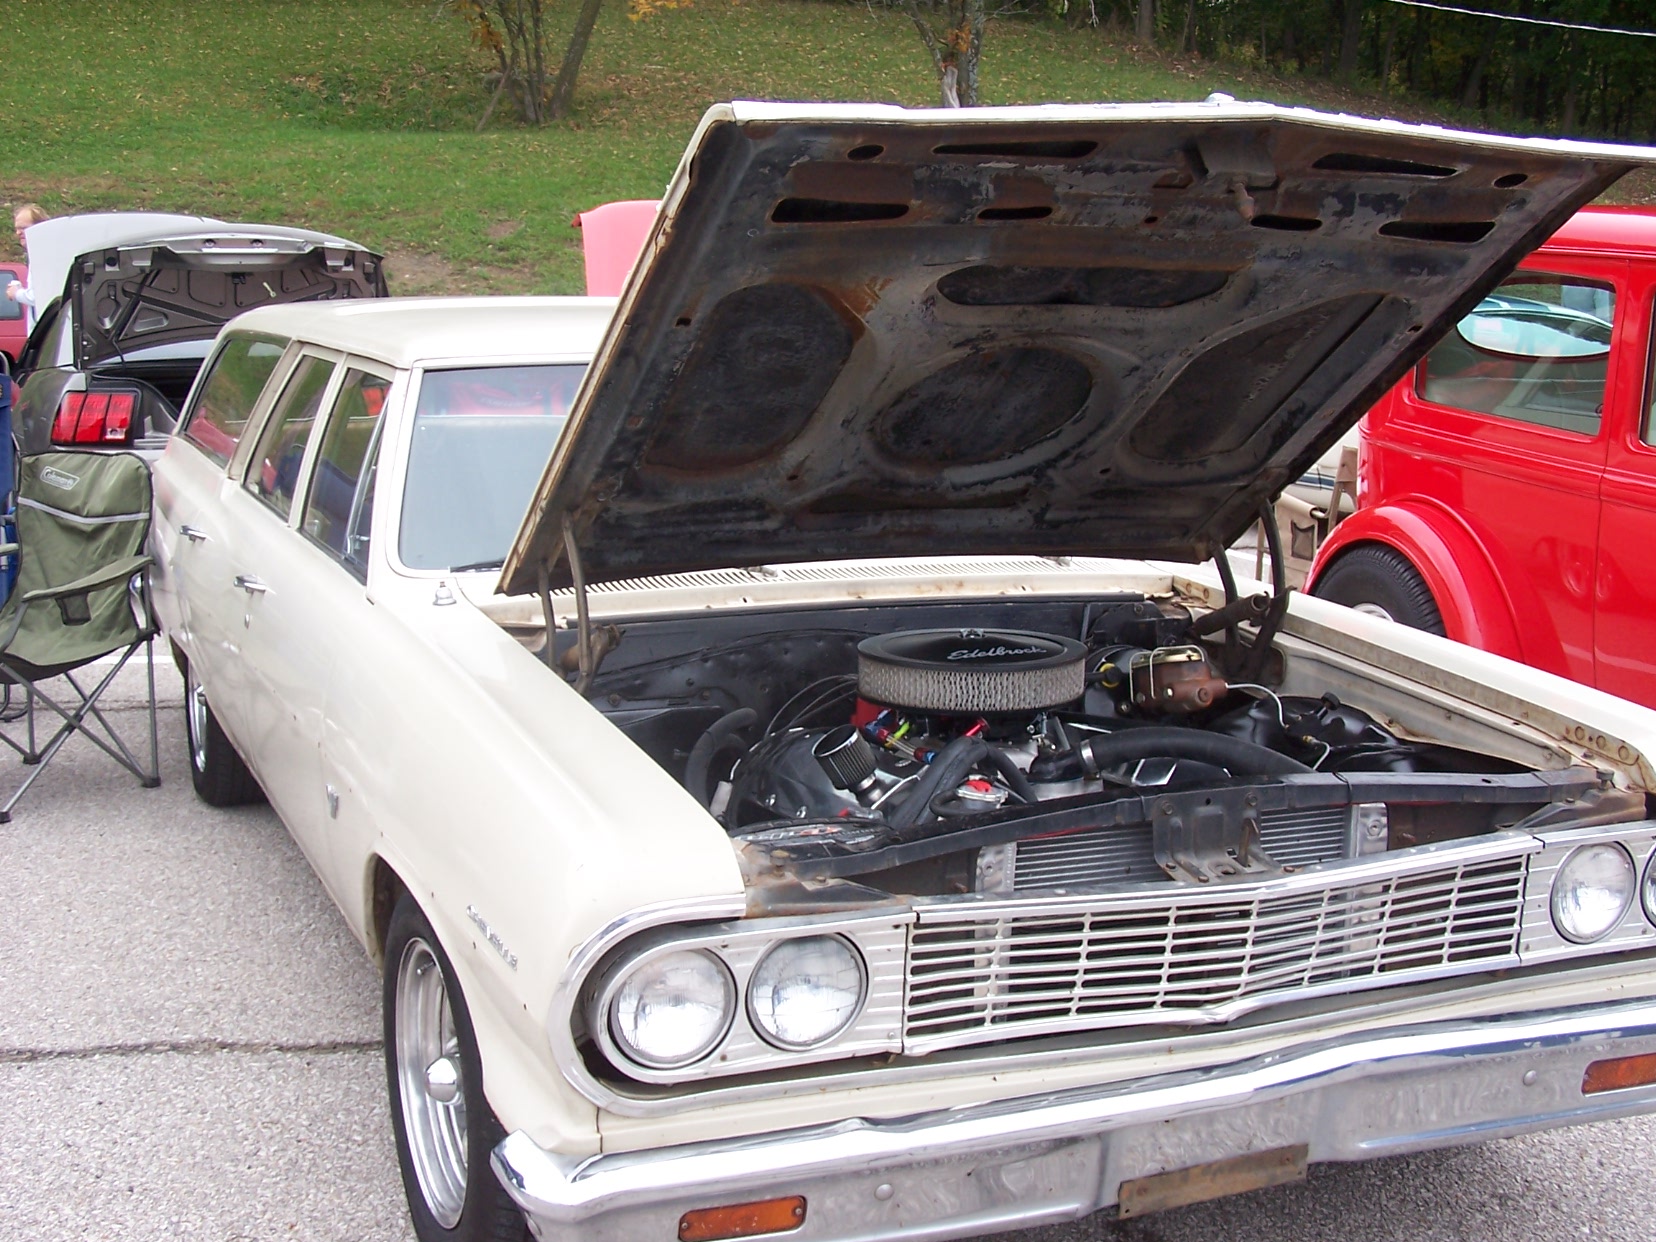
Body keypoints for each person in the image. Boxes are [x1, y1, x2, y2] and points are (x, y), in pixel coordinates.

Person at [6, 204, 48, 330]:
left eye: (23, 228)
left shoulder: (44, 255)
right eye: (17, 229)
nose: (18, 233)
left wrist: (16, 293)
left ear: (40, 227)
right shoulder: (36, 254)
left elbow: (41, 296)